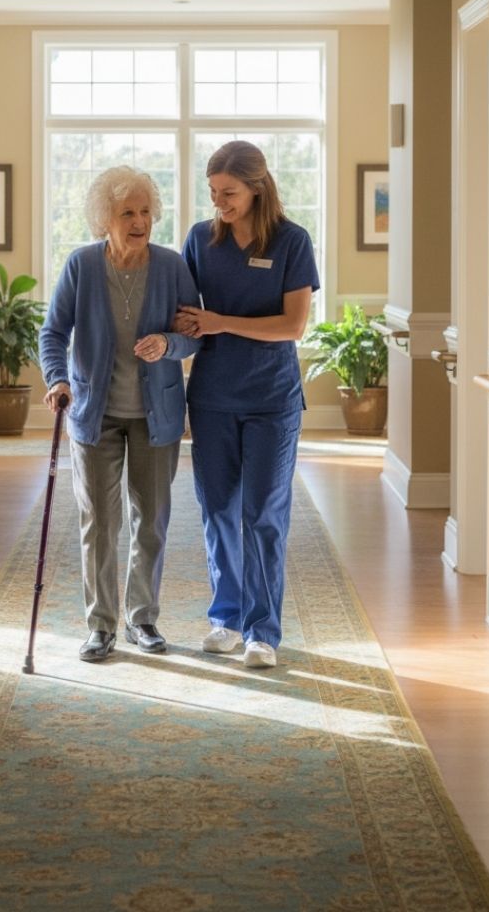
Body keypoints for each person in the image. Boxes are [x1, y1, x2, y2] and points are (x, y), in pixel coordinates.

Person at [40, 166, 201, 662]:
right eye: (127, 212)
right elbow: (52, 333)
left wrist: (169, 343)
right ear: (103, 219)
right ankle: (101, 625)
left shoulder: (172, 266)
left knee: (150, 520)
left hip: (157, 416)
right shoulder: (82, 266)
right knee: (99, 523)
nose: (140, 221)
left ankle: (143, 618)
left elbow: (194, 332)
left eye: (146, 210)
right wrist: (57, 379)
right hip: (94, 414)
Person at [175, 141, 319, 670]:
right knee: (217, 510)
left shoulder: (292, 242)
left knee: (262, 514)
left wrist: (221, 322)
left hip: (271, 400)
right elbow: (184, 313)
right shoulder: (200, 240)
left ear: (257, 187)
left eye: (229, 193)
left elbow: (293, 327)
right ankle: (226, 619)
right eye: (213, 193)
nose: (219, 203)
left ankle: (263, 631)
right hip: (212, 396)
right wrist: (182, 324)